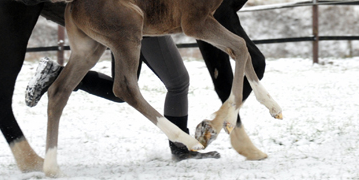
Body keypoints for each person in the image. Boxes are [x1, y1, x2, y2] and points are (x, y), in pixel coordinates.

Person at [25, 35, 220, 161]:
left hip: (124, 20)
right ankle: (181, 150)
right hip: (147, 19)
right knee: (178, 82)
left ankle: (57, 74)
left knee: (121, 90)